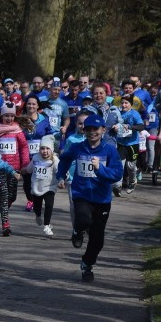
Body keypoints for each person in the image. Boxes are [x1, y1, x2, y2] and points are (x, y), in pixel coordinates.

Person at [55, 114, 123, 282]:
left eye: (96, 129)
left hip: (102, 199)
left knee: (98, 240)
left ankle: (87, 264)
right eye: (89, 129)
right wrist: (61, 176)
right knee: (83, 219)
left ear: (103, 130)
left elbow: (116, 174)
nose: (92, 132)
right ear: (84, 131)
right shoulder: (78, 148)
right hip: (81, 193)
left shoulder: (109, 151)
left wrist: (100, 169)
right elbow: (64, 159)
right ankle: (77, 231)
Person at [0, 102, 31, 234]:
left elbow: (24, 147)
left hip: (14, 168)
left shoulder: (17, 131)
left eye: (11, 116)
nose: (9, 118)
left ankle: (5, 206)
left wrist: (25, 164)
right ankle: (5, 224)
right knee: (4, 195)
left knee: (12, 196)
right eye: (6, 116)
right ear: (1, 116)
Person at [23, 135, 59, 236]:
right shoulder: (35, 158)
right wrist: (24, 170)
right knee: (37, 207)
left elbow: (60, 171)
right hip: (36, 187)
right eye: (42, 148)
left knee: (49, 205)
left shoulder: (55, 160)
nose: (45, 151)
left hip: (49, 187)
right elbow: (29, 169)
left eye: (47, 148)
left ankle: (46, 225)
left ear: (51, 150)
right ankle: (38, 215)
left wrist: (63, 178)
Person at [112, 94, 145, 194]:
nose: (124, 105)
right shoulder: (117, 113)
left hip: (132, 143)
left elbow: (141, 126)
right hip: (121, 143)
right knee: (120, 164)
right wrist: (114, 127)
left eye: (126, 103)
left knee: (130, 166)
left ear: (131, 104)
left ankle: (132, 181)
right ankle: (118, 186)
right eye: (122, 103)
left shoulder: (134, 114)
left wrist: (130, 127)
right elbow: (112, 123)